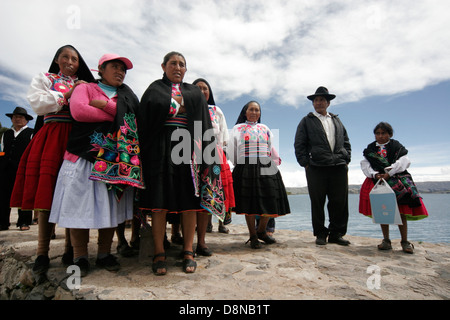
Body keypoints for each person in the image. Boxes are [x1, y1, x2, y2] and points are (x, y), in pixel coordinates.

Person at [49, 53, 143, 276]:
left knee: (110, 206)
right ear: (100, 69)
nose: (120, 71)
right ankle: (80, 256)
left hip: (114, 159)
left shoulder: (128, 95)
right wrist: (116, 112)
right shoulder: (86, 87)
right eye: (115, 67)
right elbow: (80, 112)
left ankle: (104, 253)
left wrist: (105, 107)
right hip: (83, 155)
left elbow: (134, 121)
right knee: (77, 204)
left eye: (123, 69)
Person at [138, 52, 225, 275]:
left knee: (189, 200)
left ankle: (188, 250)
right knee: (159, 200)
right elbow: (150, 110)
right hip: (160, 147)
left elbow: (201, 117)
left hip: (189, 148)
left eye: (182, 64)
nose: (178, 67)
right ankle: (159, 252)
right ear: (163, 66)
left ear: (186, 69)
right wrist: (181, 106)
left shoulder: (193, 90)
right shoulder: (154, 88)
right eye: (173, 63)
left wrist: (172, 105)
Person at [10, 45, 94, 275]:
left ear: (79, 63)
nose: (70, 61)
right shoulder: (45, 78)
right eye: (65, 57)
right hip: (51, 136)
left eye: (74, 59)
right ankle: (42, 253)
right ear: (57, 59)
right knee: (47, 194)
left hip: (76, 140)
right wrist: (68, 94)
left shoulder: (86, 84)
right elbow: (39, 104)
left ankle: (73, 251)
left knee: (73, 192)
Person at [294, 86, 351, 246]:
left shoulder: (336, 120)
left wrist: (346, 158)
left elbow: (346, 141)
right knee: (317, 202)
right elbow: (299, 144)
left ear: (328, 103)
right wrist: (305, 163)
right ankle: (320, 233)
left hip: (338, 166)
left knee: (339, 202)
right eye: (316, 100)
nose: (319, 103)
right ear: (313, 103)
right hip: (316, 167)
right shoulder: (306, 121)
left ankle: (336, 234)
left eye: (322, 100)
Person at [359, 122, 428, 254]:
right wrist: (375, 175)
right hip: (377, 181)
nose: (380, 136)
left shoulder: (396, 146)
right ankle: (386, 240)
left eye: (383, 133)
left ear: (390, 134)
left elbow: (404, 161)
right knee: (382, 210)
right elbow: (365, 165)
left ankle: (404, 241)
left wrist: (389, 173)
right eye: (377, 133)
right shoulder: (370, 150)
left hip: (397, 181)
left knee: (401, 211)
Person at [229, 101, 290, 249]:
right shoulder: (237, 128)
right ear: (245, 112)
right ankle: (253, 235)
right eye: (251, 109)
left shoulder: (266, 128)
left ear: (260, 113)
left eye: (257, 110)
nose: (254, 112)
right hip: (246, 166)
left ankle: (262, 230)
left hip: (265, 165)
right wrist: (241, 164)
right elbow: (232, 151)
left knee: (270, 198)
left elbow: (269, 148)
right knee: (249, 203)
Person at [193, 78, 234, 255]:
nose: (202, 91)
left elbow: (223, 137)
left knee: (210, 195)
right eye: (198, 88)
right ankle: (182, 239)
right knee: (190, 196)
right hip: (189, 152)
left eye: (205, 88)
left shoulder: (216, 111)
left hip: (213, 155)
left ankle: (202, 242)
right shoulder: (187, 107)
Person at [0, 107, 34, 231]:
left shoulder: (31, 132)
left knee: (24, 194)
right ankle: (3, 222)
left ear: (26, 120)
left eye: (20, 117)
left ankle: (24, 221)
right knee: (3, 195)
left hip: (23, 168)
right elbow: (2, 150)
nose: (17, 119)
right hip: (5, 169)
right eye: (15, 117)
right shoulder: (7, 133)